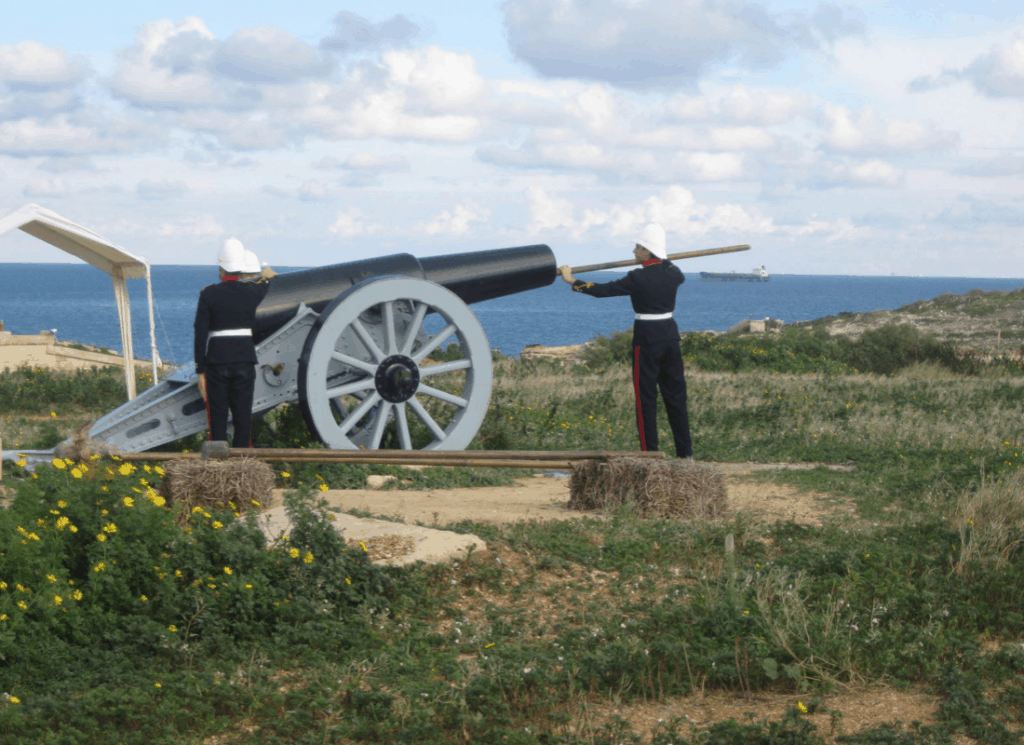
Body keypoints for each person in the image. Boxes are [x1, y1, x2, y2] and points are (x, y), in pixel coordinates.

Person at [558, 223, 693, 459]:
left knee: (646, 400)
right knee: (676, 397)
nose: (633, 252)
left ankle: (649, 455)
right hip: (670, 336)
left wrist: (572, 281)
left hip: (647, 337)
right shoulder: (674, 274)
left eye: (637, 247)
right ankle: (685, 456)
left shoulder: (638, 277)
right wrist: (663, 259)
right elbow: (670, 266)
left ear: (646, 250)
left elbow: (602, 290)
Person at [193, 238, 271, 447]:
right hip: (245, 359)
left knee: (217, 417)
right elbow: (264, 284)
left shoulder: (208, 293)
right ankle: (242, 459)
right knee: (242, 416)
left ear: (221, 268)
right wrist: (265, 276)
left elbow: (200, 334)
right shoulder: (253, 292)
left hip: (217, 361)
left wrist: (200, 370)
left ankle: (219, 462)